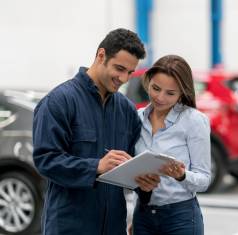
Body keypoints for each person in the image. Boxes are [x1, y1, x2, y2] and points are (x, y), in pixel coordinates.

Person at [32, 28, 159, 235]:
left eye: (129, 72)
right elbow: (46, 160)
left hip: (113, 227)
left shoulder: (126, 110)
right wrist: (96, 166)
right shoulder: (59, 101)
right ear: (101, 56)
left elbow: (133, 164)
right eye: (119, 68)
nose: (124, 78)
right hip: (68, 226)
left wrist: (144, 184)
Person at [132, 55, 211, 235]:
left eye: (170, 93)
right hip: (143, 215)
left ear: (182, 93)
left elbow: (204, 180)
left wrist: (182, 175)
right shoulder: (137, 118)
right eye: (156, 88)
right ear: (148, 82)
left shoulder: (194, 121)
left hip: (180, 217)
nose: (160, 97)